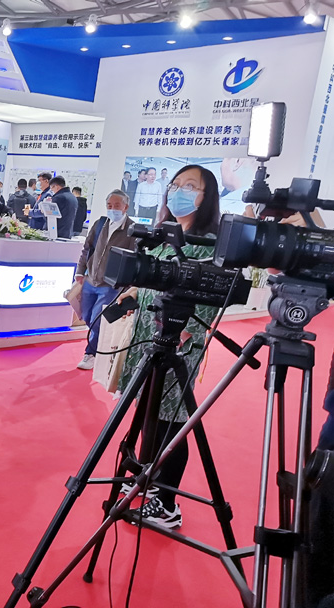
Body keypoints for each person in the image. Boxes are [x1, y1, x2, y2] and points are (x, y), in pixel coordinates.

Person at [116, 164, 222, 529]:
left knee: (169, 422)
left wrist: (186, 331)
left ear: (206, 198)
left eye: (190, 186)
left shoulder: (211, 243)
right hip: (148, 338)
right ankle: (146, 476)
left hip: (179, 345)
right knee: (147, 413)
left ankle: (166, 503)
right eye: (175, 184)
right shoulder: (165, 233)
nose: (178, 191)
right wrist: (134, 290)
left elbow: (212, 295)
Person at [74, 189, 137, 370]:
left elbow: (135, 258)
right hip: (90, 280)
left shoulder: (132, 229)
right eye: (109, 205)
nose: (112, 209)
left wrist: (128, 286)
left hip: (111, 285)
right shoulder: (100, 223)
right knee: (86, 316)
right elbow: (87, 248)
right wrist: (80, 271)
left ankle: (91, 354)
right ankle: (101, 346)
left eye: (116, 205)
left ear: (125, 207)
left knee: (98, 319)